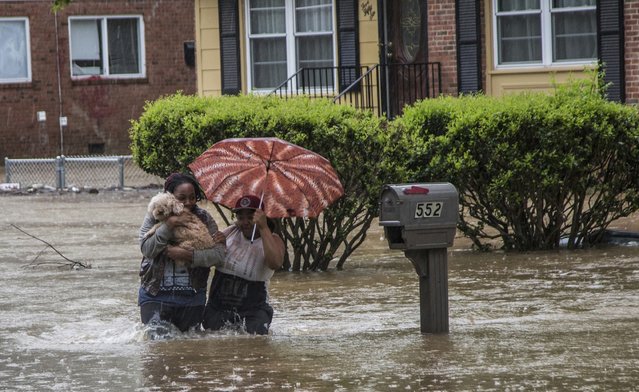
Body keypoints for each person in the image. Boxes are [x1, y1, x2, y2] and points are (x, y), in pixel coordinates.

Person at [138, 172, 225, 333]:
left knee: (188, 350)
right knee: (157, 344)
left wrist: (189, 256)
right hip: (154, 294)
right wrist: (169, 225)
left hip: (192, 297)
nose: (188, 202)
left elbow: (219, 256)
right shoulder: (155, 214)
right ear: (170, 196)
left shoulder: (204, 218)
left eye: (192, 197)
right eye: (182, 198)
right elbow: (146, 249)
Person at [202, 195, 285, 335]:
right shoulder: (229, 233)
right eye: (241, 217)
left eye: (250, 217)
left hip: (254, 311)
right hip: (217, 308)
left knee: (254, 346)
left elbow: (275, 263)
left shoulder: (274, 239)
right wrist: (218, 243)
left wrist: (263, 228)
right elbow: (205, 258)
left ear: (261, 217)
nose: (245, 222)